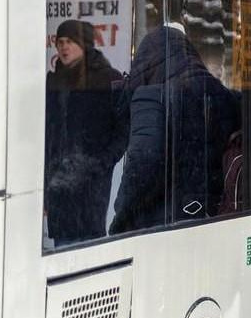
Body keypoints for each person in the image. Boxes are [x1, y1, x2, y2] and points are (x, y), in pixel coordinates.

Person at [110, 26, 241, 235]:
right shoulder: (227, 99)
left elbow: (143, 164)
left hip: (160, 228)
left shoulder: (151, 96)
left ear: (146, 62)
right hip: (213, 221)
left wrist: (121, 218)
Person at [46, 20, 126, 246]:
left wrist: (103, 162)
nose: (63, 47)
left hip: (91, 184)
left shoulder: (109, 79)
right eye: (60, 42)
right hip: (58, 185)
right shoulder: (53, 81)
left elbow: (123, 129)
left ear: (84, 44)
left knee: (88, 249)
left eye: (70, 41)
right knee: (62, 249)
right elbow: (48, 134)